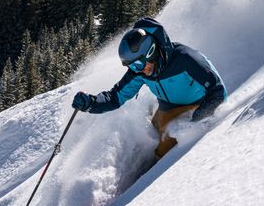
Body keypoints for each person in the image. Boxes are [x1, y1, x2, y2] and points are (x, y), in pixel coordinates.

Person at [72, 17, 226, 160]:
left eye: (137, 64)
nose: (136, 70)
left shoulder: (186, 60)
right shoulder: (140, 71)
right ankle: (150, 167)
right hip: (166, 109)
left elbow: (218, 91)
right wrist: (91, 102)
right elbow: (115, 97)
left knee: (165, 148)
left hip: (195, 106)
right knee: (155, 132)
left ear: (151, 52)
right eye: (131, 66)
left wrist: (196, 119)